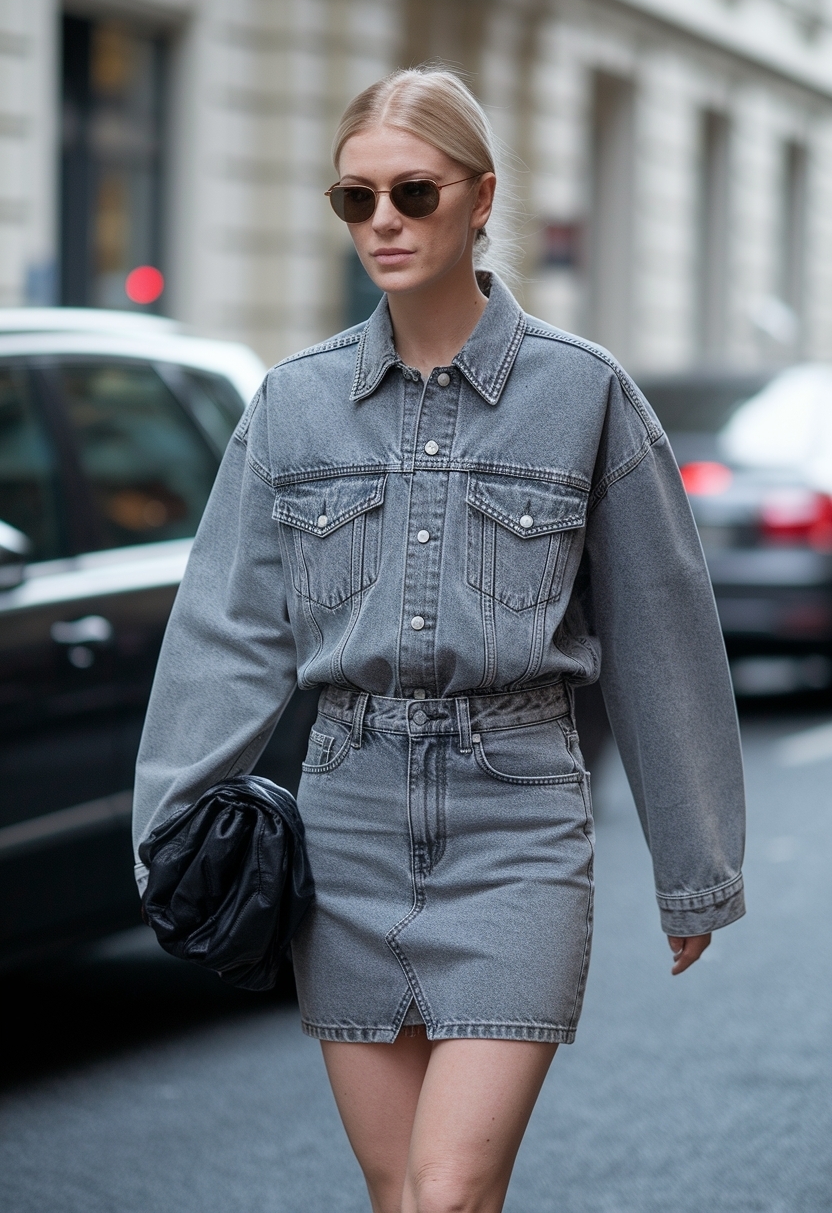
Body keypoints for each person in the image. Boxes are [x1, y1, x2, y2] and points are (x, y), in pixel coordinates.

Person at [132, 67, 746, 1213]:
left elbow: (663, 635)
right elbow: (225, 634)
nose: (382, 224)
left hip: (517, 827)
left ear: (479, 198)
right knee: (396, 1191)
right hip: (347, 819)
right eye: (353, 200)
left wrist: (693, 869)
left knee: (450, 1188)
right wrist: (166, 835)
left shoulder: (584, 395)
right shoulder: (293, 406)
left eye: (412, 193)